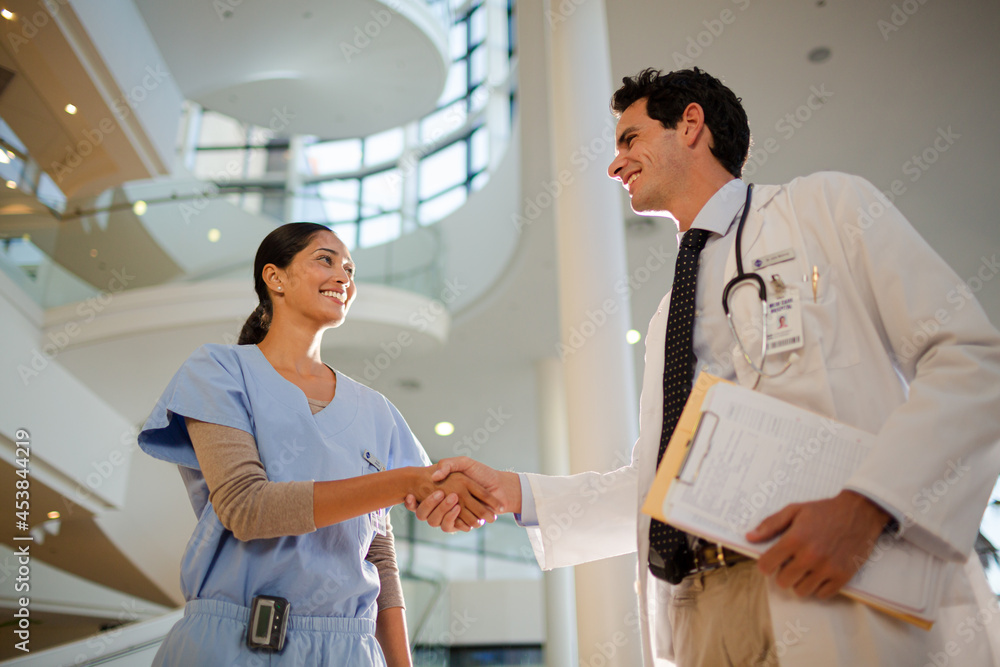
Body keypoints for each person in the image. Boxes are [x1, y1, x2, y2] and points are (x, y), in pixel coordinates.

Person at [408, 68, 1000, 665]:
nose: (615, 165)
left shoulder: (825, 209)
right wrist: (515, 493)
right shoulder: (670, 315)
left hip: (836, 579)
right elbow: (665, 480)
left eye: (631, 139)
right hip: (702, 609)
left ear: (690, 124)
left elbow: (970, 358)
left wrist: (869, 505)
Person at [139, 222, 501, 666]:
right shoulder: (218, 370)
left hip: (350, 648)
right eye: (325, 260)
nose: (343, 277)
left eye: (350, 269)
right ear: (275, 277)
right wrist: (407, 481)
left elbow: (377, 553)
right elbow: (245, 508)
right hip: (232, 643)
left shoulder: (376, 410)